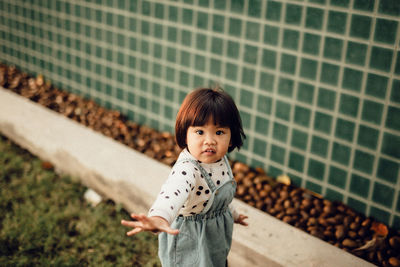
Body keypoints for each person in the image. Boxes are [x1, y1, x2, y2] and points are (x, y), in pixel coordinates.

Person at [121, 87, 249, 267]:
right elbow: (172, 194)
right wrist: (160, 217)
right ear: (185, 133)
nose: (210, 140)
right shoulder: (187, 170)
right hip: (189, 240)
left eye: (219, 132)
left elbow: (217, 196)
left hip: (214, 238)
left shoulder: (220, 160)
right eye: (200, 132)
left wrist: (231, 213)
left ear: (232, 135)